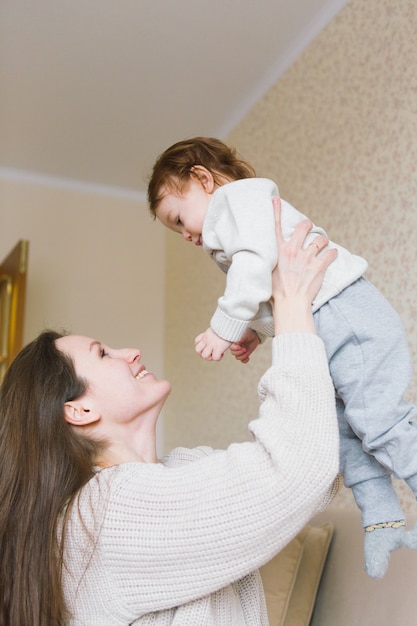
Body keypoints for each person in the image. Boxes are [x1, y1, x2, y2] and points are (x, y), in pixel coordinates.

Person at [0, 205, 339, 626]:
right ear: (79, 409)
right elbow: (297, 469)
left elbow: (318, 475)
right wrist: (291, 306)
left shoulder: (180, 468)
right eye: (103, 354)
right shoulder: (106, 515)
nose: (131, 353)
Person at [147, 136, 417, 578]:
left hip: (347, 316)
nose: (184, 235)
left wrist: (225, 327)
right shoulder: (235, 220)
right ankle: (382, 519)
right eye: (176, 231)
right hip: (322, 326)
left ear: (203, 178)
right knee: (345, 438)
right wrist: (256, 331)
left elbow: (256, 266)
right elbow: (275, 288)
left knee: (379, 422)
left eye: (179, 218)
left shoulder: (238, 198)